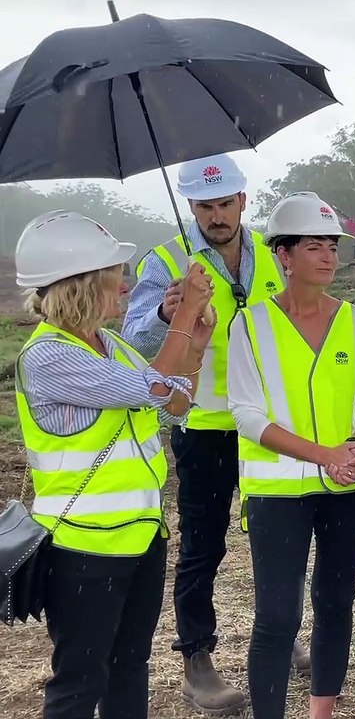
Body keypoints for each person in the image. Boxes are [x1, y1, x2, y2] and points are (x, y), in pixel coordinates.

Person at [13, 210, 214, 719]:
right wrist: (183, 316)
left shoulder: (114, 345)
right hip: (84, 546)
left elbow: (176, 403)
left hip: (142, 538)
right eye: (113, 277)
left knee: (129, 668)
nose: (124, 288)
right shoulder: (49, 357)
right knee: (81, 681)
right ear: (79, 285)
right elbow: (154, 390)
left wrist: (197, 336)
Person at [122, 152, 294, 714]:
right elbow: (135, 340)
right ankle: (197, 654)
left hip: (269, 424)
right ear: (191, 206)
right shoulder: (168, 260)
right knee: (204, 545)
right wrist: (163, 315)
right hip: (205, 426)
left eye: (225, 204)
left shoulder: (275, 251)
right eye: (205, 206)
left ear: (244, 200)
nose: (216, 216)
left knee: (279, 537)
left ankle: (281, 635)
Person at [226, 192, 355, 719]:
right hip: (277, 492)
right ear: (283, 256)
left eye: (332, 247)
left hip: (351, 489)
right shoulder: (249, 325)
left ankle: (323, 712)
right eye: (313, 246)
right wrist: (323, 454)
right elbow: (246, 414)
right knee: (276, 615)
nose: (328, 257)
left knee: (335, 604)